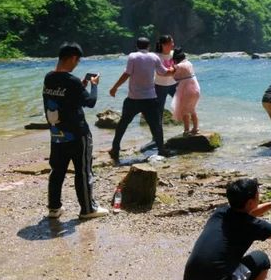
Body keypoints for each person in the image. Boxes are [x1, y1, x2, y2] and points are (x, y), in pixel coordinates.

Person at [43, 42, 109, 219]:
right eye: (77, 61)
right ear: (73, 58)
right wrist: (94, 85)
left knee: (57, 171)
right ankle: (88, 209)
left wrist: (83, 83)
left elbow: (67, 97)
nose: (77, 64)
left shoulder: (49, 77)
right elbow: (90, 102)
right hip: (77, 135)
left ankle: (54, 208)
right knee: (83, 171)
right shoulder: (71, 81)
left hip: (57, 135)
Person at [108, 37, 175, 161]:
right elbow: (164, 72)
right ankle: (162, 149)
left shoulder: (133, 56)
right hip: (150, 98)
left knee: (123, 124)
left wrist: (114, 87)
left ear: (137, 46)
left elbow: (127, 74)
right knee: (156, 125)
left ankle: (115, 149)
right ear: (149, 47)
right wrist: (175, 69)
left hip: (134, 98)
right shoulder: (154, 57)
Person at [170, 48, 201, 136]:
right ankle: (196, 128)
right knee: (192, 109)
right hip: (196, 88)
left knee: (184, 110)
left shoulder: (178, 66)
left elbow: (174, 77)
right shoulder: (189, 63)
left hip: (186, 89)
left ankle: (186, 129)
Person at [154, 35, 177, 127]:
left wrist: (171, 70)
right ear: (162, 45)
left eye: (172, 42)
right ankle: (157, 136)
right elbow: (161, 73)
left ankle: (187, 129)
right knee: (159, 111)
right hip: (160, 86)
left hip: (174, 84)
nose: (172, 45)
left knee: (183, 105)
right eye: (169, 43)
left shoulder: (174, 54)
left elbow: (182, 68)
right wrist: (174, 70)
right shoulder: (157, 56)